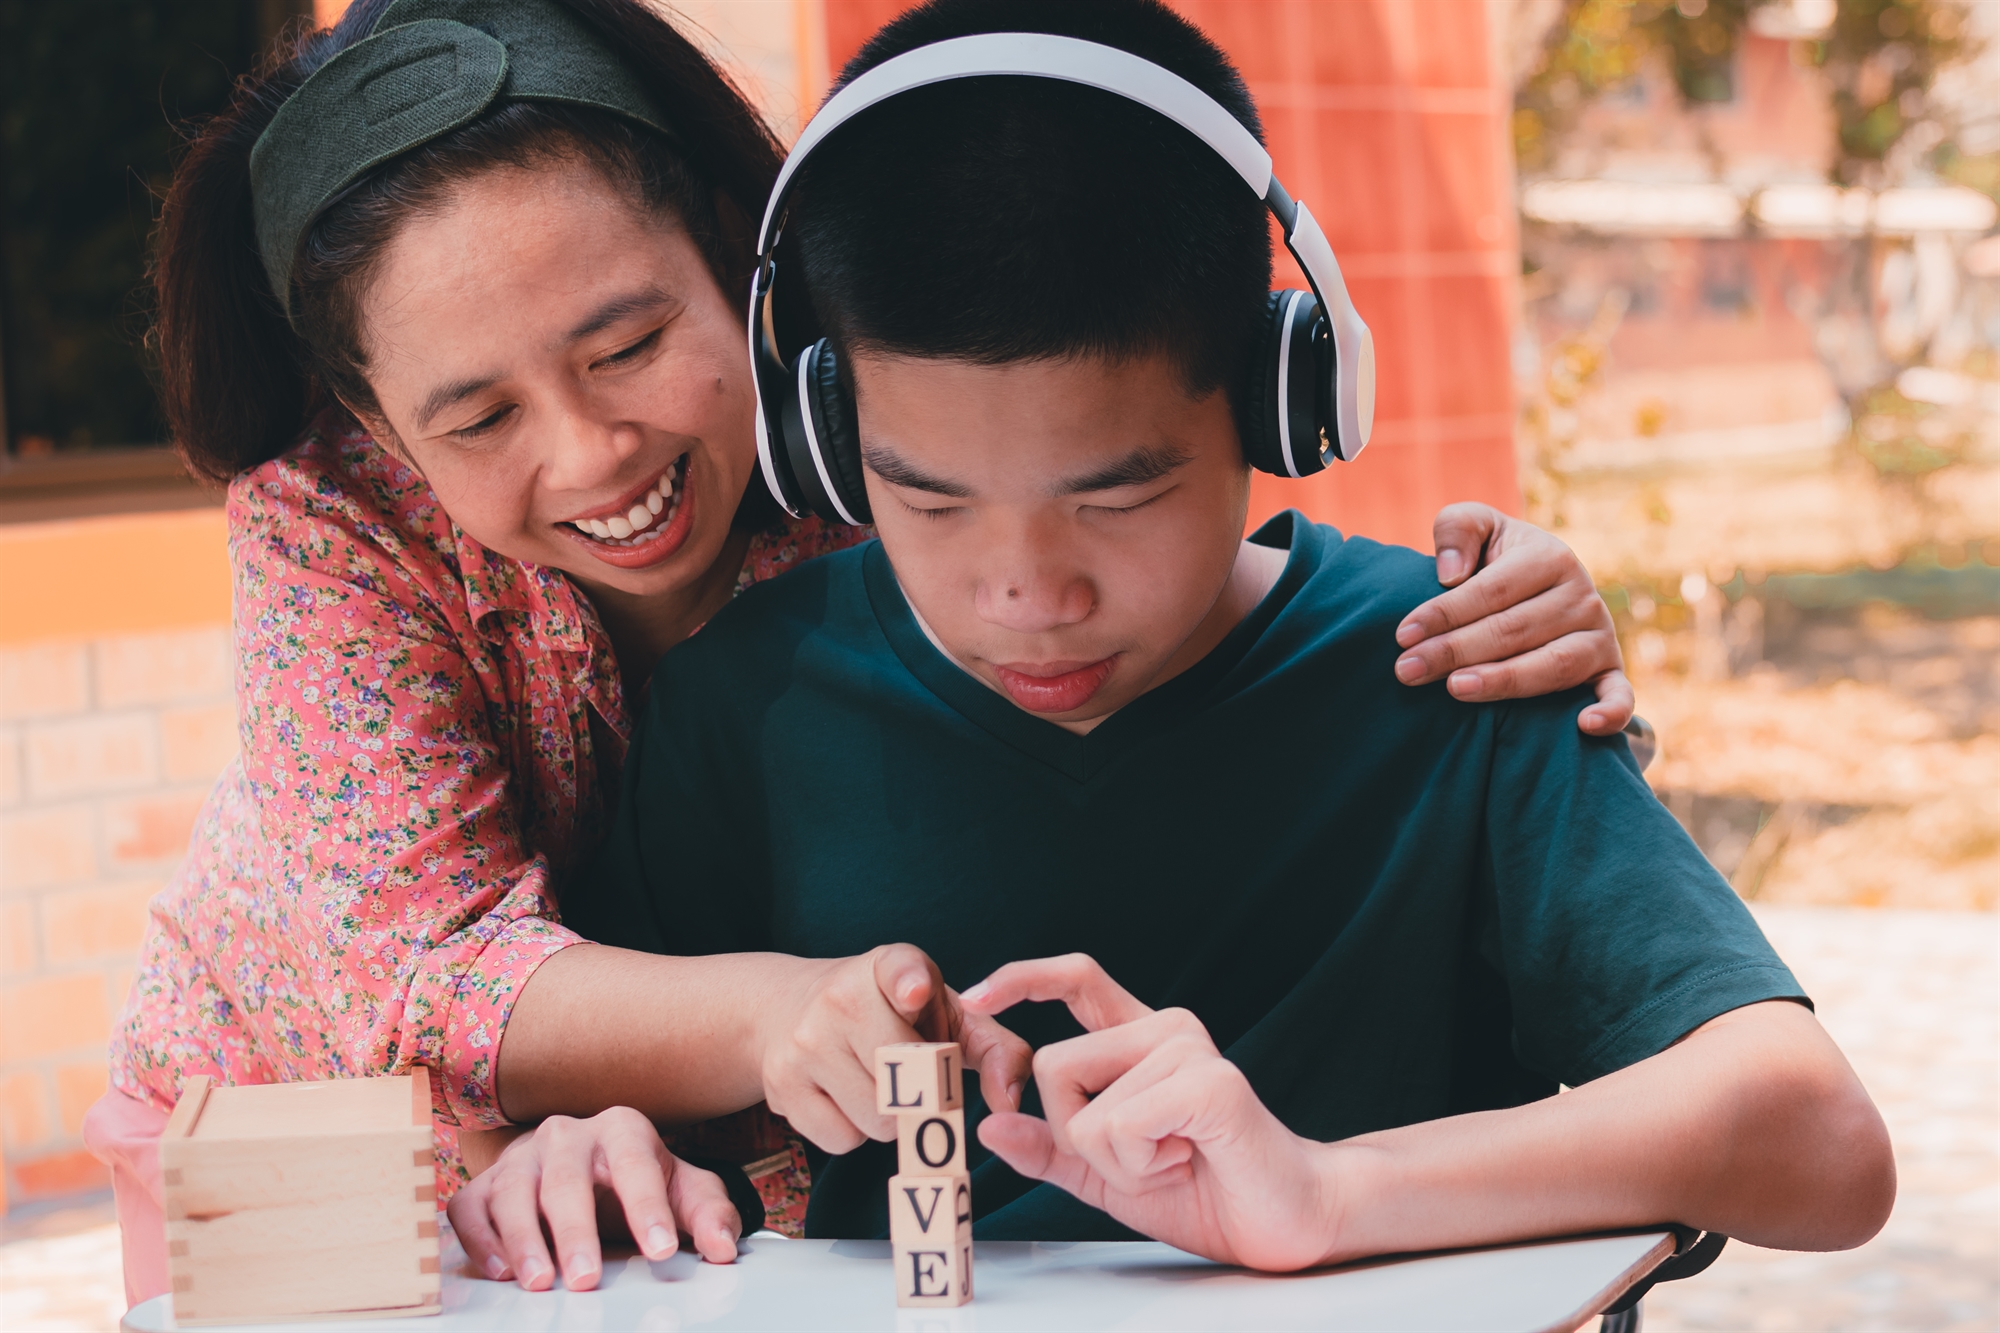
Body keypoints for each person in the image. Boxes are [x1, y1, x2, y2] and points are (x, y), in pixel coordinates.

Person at [91, 0, 1637, 1306]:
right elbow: (416, 973)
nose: (590, 451)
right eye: (477, 417)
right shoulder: (323, 521)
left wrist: (1490, 626)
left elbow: (1135, 494)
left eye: (629, 344)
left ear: (738, 266)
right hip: (327, 1132)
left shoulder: (880, 449)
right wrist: (778, 1018)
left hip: (729, 1126)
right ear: (374, 423)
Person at [529, 0, 1894, 1276]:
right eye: (927, 498)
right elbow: (600, 1094)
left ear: (1279, 401)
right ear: (825, 439)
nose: (1028, 592)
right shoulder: (750, 705)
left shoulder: (1451, 663)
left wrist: (1325, 1191)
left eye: (1116, 494)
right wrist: (577, 1146)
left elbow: (1820, 1142)